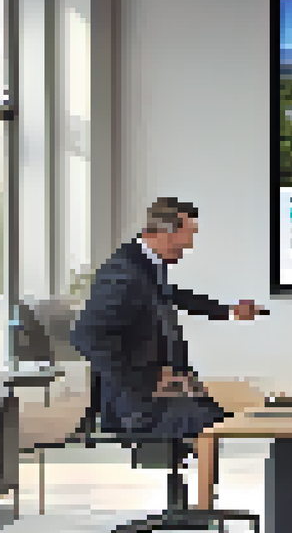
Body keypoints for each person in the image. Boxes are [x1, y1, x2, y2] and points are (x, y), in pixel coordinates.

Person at [70, 197, 266, 510]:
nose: (187, 247)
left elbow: (172, 296)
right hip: (134, 401)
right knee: (211, 422)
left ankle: (198, 504)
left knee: (215, 413)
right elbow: (85, 336)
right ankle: (200, 508)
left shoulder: (143, 263)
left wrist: (229, 311)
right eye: (186, 236)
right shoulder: (123, 272)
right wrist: (146, 379)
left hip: (153, 391)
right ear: (163, 231)